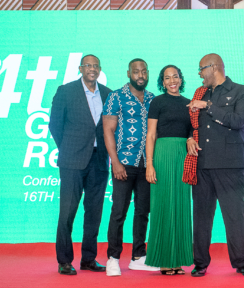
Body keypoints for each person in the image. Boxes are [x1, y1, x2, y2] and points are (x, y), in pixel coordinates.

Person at [186, 54, 244, 277]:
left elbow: (238, 121)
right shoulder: (200, 93)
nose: (199, 73)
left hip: (230, 164)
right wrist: (189, 138)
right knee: (201, 217)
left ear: (214, 67)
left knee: (234, 215)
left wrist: (208, 106)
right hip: (203, 163)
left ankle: (240, 262)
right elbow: (194, 125)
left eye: (201, 68)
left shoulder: (241, 91)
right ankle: (200, 263)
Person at [49, 54, 111, 275]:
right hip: (72, 160)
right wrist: (67, 148)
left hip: (99, 160)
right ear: (80, 68)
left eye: (96, 66)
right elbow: (55, 125)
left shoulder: (108, 94)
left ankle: (89, 259)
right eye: (88, 65)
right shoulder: (66, 91)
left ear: (100, 69)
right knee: (67, 212)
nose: (92, 69)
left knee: (94, 213)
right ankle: (64, 260)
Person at [102, 58, 159, 276]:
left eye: (144, 71)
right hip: (124, 163)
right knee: (119, 211)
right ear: (129, 73)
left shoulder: (153, 99)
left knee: (143, 211)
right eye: (136, 71)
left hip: (147, 164)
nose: (140, 75)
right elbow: (108, 130)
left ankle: (138, 257)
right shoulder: (116, 97)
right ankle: (113, 258)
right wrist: (115, 162)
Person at [144, 65, 194, 275]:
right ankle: (164, 259)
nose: (172, 81)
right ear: (162, 82)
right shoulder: (157, 102)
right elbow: (151, 135)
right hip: (162, 154)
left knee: (181, 204)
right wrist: (149, 163)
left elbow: (192, 131)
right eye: (167, 78)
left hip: (183, 156)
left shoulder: (189, 103)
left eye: (175, 76)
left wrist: (190, 138)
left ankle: (178, 259)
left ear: (181, 79)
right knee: (162, 204)